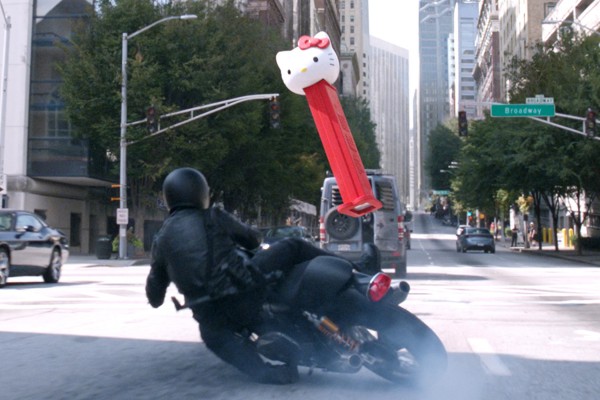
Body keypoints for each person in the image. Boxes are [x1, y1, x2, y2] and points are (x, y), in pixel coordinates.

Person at [145, 167, 380, 385]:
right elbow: (252, 240)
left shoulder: (161, 240)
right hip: (247, 294)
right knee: (293, 245)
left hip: (212, 315)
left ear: (170, 198)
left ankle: (269, 373)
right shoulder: (213, 217)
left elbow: (155, 296)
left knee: (214, 339)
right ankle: (358, 267)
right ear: (200, 193)